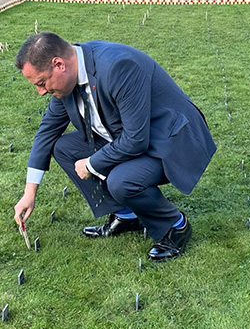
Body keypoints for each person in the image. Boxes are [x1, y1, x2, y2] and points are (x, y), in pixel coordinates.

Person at [13, 32, 216, 261]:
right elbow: (46, 134)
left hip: (169, 141)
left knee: (121, 181)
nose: (41, 91)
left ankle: (175, 226)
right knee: (63, 147)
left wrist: (91, 164)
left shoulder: (118, 66)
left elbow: (136, 140)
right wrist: (29, 193)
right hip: (127, 137)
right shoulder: (67, 83)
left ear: (59, 64)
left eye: (41, 83)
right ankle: (127, 215)